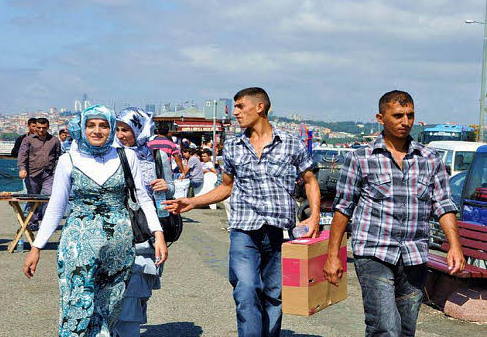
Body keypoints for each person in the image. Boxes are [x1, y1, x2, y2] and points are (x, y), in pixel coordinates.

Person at [164, 87, 321, 337]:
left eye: (239, 106)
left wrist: (314, 216)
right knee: (246, 290)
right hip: (243, 231)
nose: (235, 112)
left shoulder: (291, 143)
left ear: (260, 107)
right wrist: (192, 202)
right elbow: (226, 187)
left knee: (273, 295)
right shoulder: (234, 147)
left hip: (280, 232)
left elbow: (310, 180)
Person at [323, 90, 466, 337]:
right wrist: (332, 255)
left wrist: (455, 245)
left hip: (415, 256)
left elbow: (443, 204)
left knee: (406, 329)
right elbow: (343, 208)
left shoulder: (429, 159)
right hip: (374, 253)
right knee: (385, 328)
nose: (405, 122)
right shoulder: (360, 158)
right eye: (398, 115)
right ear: (381, 117)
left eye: (410, 115)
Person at [23, 105, 168, 337]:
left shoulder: (126, 156)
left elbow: (142, 197)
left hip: (119, 246)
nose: (97, 131)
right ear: (82, 128)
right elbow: (56, 207)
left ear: (110, 129)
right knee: (76, 306)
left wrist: (158, 234)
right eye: (91, 125)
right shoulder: (68, 159)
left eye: (103, 125)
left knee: (109, 309)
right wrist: (37, 246)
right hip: (78, 244)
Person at [114, 107, 174, 336]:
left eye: (127, 130)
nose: (121, 135)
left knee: (141, 291)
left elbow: (172, 192)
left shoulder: (157, 156)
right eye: (118, 129)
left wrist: (168, 187)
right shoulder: (109, 155)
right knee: (126, 288)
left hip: (151, 231)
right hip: (122, 230)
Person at [17, 117, 61, 231]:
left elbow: (57, 156)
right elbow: (22, 155)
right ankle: (33, 222)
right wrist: (22, 168)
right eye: (39, 128)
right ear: (35, 127)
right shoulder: (28, 140)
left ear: (48, 127)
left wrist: (56, 171)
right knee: (33, 198)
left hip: (48, 173)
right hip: (32, 173)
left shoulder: (54, 140)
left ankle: (47, 222)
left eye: (44, 128)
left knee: (49, 197)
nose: (41, 130)